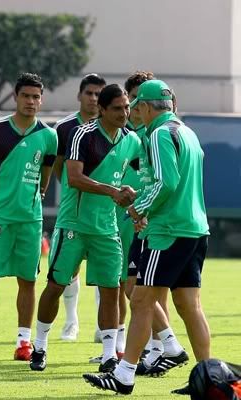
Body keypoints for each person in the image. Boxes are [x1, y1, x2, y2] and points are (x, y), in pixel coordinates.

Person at [83, 79, 210, 395]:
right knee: (188, 305)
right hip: (195, 229)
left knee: (140, 299)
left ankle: (124, 374)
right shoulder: (187, 132)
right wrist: (143, 197)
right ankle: (207, 378)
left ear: (147, 106)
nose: (134, 111)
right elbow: (176, 183)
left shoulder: (158, 134)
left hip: (167, 231)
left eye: (137, 105)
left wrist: (137, 208)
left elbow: (167, 182)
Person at [29, 84, 141, 374]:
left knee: (111, 291)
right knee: (55, 286)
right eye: (117, 108)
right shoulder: (83, 135)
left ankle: (108, 356)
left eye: (127, 107)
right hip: (74, 225)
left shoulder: (131, 140)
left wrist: (134, 207)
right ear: (102, 110)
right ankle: (39, 346)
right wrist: (114, 191)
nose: (124, 113)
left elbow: (141, 177)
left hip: (107, 228)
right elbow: (74, 177)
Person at [0, 73, 57, 361]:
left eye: (36, 97)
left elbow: (45, 177)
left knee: (28, 281)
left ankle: (23, 343)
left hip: (30, 219)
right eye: (26, 96)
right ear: (16, 97)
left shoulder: (48, 135)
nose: (31, 102)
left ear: (41, 100)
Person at [53, 73, 106, 341]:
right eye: (90, 93)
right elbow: (58, 166)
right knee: (69, 267)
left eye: (99, 94)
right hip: (73, 209)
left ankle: (101, 326)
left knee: (103, 267)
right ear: (80, 96)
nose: (94, 99)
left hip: (105, 211)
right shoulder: (64, 128)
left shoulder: (115, 129)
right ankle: (71, 321)